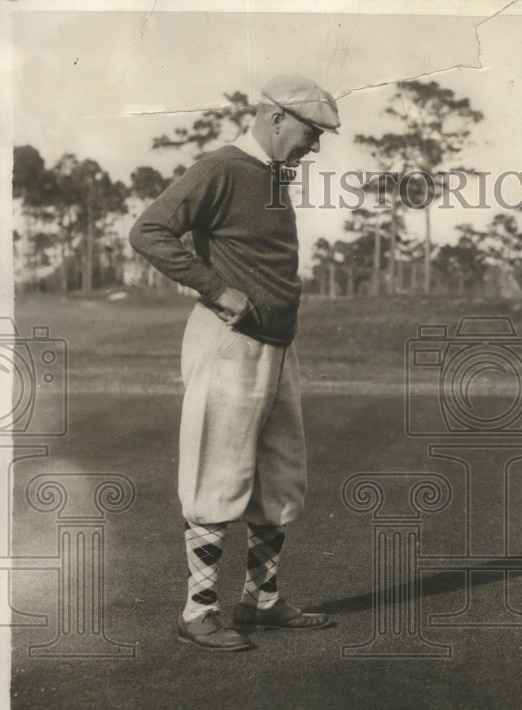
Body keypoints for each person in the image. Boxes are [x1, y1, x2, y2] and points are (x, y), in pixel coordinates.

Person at [129, 75, 341, 651]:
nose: (314, 146)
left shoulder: (272, 177)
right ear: (275, 119)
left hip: (276, 345)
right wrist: (215, 289)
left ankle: (262, 602)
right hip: (230, 341)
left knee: (279, 475)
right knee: (216, 473)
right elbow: (149, 231)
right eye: (310, 132)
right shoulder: (223, 167)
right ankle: (198, 610)